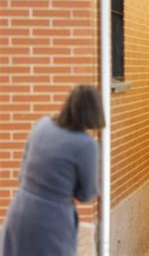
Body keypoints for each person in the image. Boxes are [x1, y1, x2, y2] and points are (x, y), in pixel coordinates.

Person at [1, 84, 105, 256]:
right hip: (52, 220)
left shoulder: (42, 124)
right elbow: (86, 194)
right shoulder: (86, 144)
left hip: (19, 210)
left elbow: (23, 170)